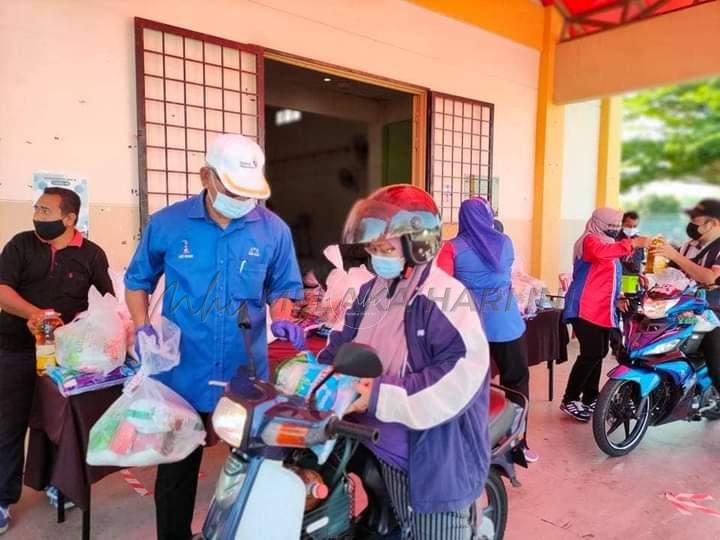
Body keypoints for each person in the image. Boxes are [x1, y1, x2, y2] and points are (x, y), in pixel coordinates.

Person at [124, 134, 305, 540]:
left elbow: (284, 287)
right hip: (181, 369)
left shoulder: (272, 230)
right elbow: (138, 280)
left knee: (252, 467)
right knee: (176, 472)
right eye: (233, 190)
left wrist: (282, 314)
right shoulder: (168, 224)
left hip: (245, 372)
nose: (242, 201)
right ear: (207, 176)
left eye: (250, 193)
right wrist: (141, 324)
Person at [319, 185, 491, 539]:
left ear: (419, 242)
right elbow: (343, 341)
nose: (375, 255)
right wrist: (317, 371)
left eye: (385, 247)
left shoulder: (445, 297)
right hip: (366, 435)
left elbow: (459, 377)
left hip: (427, 453)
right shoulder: (372, 289)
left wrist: (378, 396)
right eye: (373, 247)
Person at [0, 187, 114, 535]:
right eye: (37, 208)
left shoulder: (91, 254)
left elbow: (105, 301)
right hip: (14, 346)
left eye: (46, 211)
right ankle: (2, 501)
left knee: (60, 421)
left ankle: (58, 484)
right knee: (8, 425)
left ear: (69, 218)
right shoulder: (21, 244)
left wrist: (92, 334)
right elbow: (2, 290)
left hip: (67, 354)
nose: (38, 215)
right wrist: (35, 314)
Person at [436, 197, 537, 462]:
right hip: (506, 322)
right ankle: (517, 441)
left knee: (471, 384)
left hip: (470, 325)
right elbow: (506, 271)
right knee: (516, 381)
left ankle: (470, 440)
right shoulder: (505, 242)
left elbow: (442, 284)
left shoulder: (451, 249)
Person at [560, 208, 650, 422]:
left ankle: (591, 397)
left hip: (602, 307)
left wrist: (618, 297)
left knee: (599, 352)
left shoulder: (609, 244)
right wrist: (633, 243)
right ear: (598, 223)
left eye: (617, 225)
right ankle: (570, 399)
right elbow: (599, 254)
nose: (616, 229)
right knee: (591, 352)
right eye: (611, 225)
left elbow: (611, 275)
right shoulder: (590, 241)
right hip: (584, 305)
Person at [651, 199, 720, 396]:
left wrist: (675, 255)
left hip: (714, 313)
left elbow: (708, 277)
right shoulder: (688, 246)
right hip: (686, 306)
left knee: (716, 360)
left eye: (696, 219)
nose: (692, 223)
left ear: (713, 223)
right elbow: (674, 274)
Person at [610, 210, 644, 356]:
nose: (631, 228)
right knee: (614, 315)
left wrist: (642, 274)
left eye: (634, 226)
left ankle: (631, 345)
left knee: (631, 316)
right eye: (628, 225)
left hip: (633, 282)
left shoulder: (639, 241)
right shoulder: (615, 240)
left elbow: (639, 263)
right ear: (623, 224)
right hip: (617, 281)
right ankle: (616, 346)